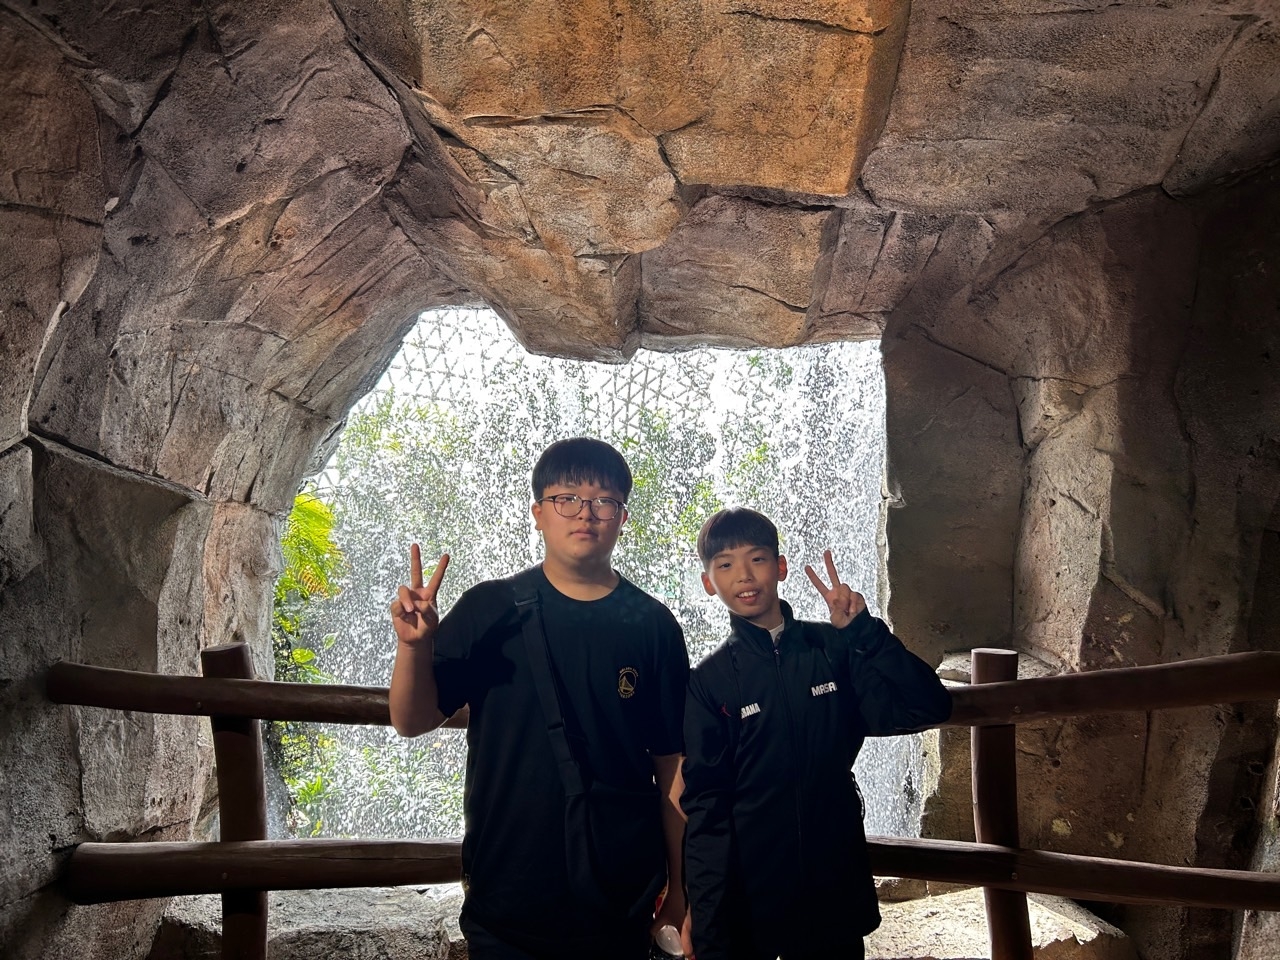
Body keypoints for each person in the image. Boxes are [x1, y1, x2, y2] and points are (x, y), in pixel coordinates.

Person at [388, 437, 691, 960]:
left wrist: (681, 891)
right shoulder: (489, 610)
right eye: (566, 498)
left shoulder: (653, 626)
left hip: (619, 899)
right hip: (507, 893)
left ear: (623, 518)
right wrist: (414, 647)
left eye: (604, 501)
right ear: (538, 514)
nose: (586, 513)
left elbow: (673, 768)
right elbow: (410, 720)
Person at [682, 507, 952, 960]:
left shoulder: (832, 648)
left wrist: (865, 633)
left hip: (834, 891)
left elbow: (928, 706)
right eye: (725, 564)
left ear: (780, 567)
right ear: (709, 582)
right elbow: (707, 810)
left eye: (757, 559)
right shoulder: (709, 682)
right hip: (753, 903)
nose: (744, 575)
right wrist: (708, 927)